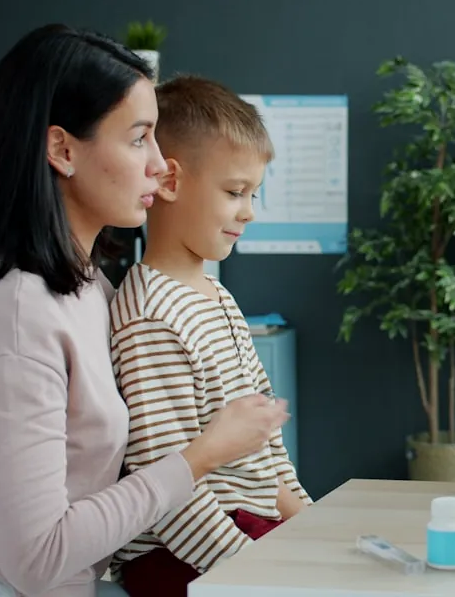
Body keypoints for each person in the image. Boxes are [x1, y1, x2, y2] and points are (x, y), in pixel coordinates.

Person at [0, 24, 290, 597]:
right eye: (139, 138)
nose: (160, 164)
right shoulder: (12, 317)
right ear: (63, 149)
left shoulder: (87, 287)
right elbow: (40, 557)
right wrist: (201, 457)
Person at [106, 74, 312, 597]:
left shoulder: (217, 298)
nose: (248, 210)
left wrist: (315, 527)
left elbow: (268, 455)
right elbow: (167, 489)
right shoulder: (151, 316)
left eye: (253, 194)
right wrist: (258, 573)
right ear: (170, 182)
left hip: (242, 534)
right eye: (234, 192)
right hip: (181, 555)